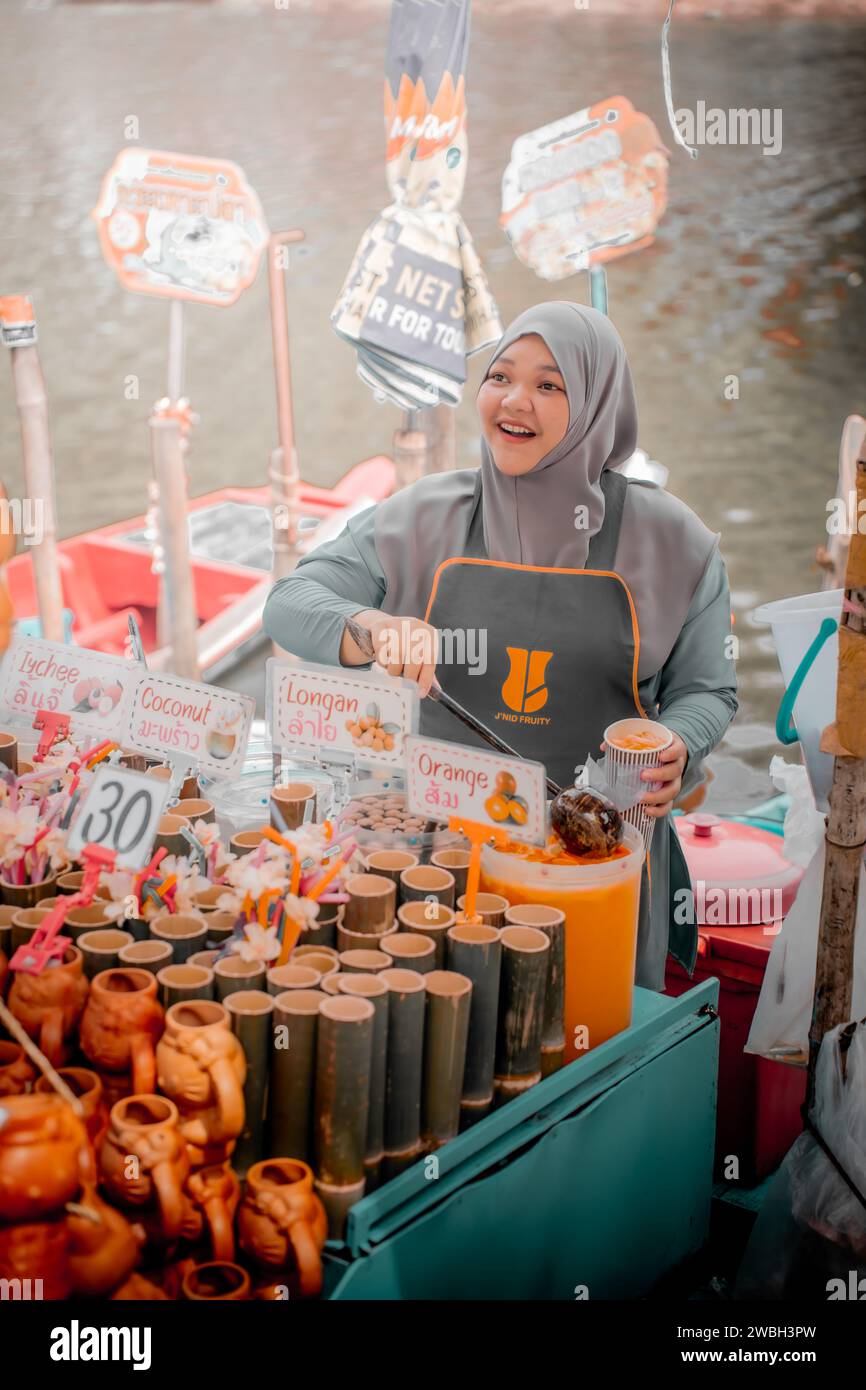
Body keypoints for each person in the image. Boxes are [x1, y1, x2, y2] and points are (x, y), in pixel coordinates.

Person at [262, 302, 738, 987]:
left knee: (587, 1041)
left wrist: (678, 744)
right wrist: (372, 628)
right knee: (447, 1037)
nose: (515, 401)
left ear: (599, 404)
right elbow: (290, 605)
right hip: (440, 858)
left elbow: (707, 689)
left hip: (597, 858)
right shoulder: (426, 516)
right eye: (500, 377)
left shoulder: (673, 542)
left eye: (549, 385)